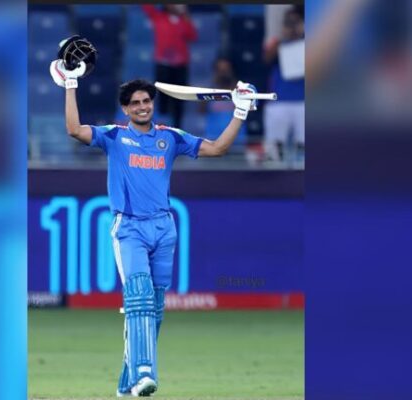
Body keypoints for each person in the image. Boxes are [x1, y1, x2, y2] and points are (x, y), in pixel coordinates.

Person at [50, 38, 256, 397]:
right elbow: (73, 129)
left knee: (155, 308)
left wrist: (240, 111)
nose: (143, 107)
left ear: (152, 104)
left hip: (164, 228)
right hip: (129, 227)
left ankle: (126, 383)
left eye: (146, 101)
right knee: (139, 297)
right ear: (125, 109)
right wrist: (70, 84)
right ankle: (145, 372)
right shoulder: (114, 136)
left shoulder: (170, 138)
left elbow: (218, 148)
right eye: (135, 103)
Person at [142, 4, 197, 128]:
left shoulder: (183, 21)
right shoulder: (159, 17)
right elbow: (147, 6)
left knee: (179, 99)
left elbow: (193, 36)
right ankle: (161, 126)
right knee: (162, 99)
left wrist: (186, 15)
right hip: (163, 65)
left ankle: (178, 128)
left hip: (180, 65)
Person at [262, 5, 305, 163]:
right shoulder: (277, 43)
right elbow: (266, 59)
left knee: (303, 150)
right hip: (279, 102)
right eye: (288, 23)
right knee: (274, 150)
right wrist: (282, 38)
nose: (292, 26)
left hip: (304, 102)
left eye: (295, 22)